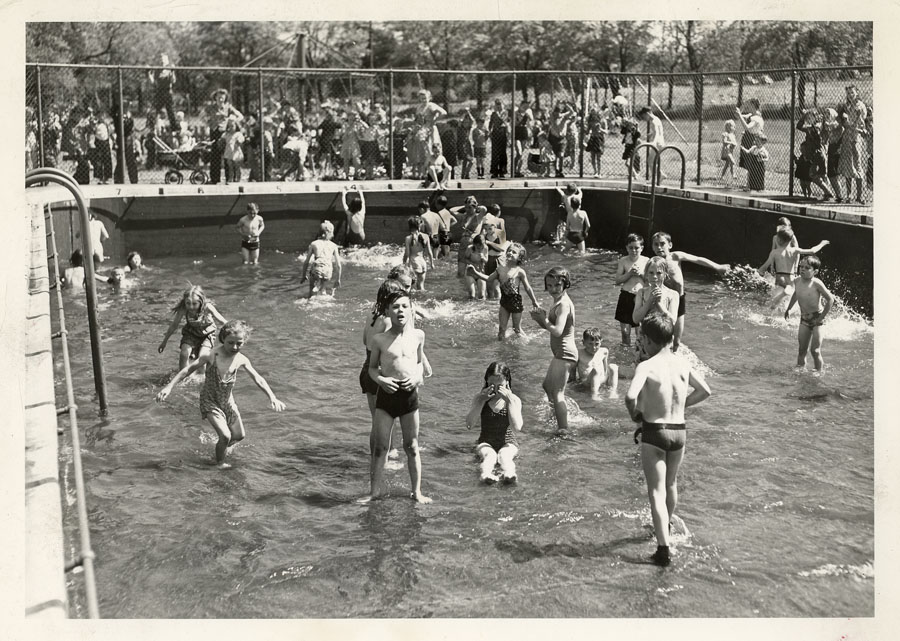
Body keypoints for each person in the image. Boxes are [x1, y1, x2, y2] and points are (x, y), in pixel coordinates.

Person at [625, 313, 711, 567]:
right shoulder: (682, 363)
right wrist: (683, 404)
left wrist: (637, 417)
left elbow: (630, 397)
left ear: (649, 341)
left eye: (642, 339)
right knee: (671, 485)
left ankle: (663, 549)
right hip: (679, 431)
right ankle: (665, 527)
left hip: (655, 431)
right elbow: (705, 391)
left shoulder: (647, 365)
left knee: (655, 491)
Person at [156, 320, 286, 469]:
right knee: (225, 435)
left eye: (239, 343)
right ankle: (219, 464)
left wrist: (272, 397)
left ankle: (220, 448)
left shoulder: (241, 359)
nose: (234, 347)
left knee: (239, 436)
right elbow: (187, 370)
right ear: (223, 338)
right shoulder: (212, 355)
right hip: (210, 401)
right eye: (230, 343)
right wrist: (169, 387)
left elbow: (258, 378)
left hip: (227, 401)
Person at [366, 291, 431, 503]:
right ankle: (374, 492)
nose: (400, 311)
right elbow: (372, 369)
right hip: (386, 396)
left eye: (404, 306)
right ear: (387, 311)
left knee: (411, 446)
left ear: (411, 310)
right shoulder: (379, 340)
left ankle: (417, 492)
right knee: (380, 447)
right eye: (395, 307)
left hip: (409, 397)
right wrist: (381, 380)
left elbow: (421, 363)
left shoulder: (418, 336)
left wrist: (417, 377)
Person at [651, 231, 730, 352]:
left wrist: (717, 266)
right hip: (664, 300)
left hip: (680, 298)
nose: (659, 247)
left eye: (662, 244)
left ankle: (674, 357)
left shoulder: (675, 256)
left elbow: (697, 259)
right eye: (656, 244)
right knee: (662, 336)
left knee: (676, 340)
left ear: (670, 245)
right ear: (652, 246)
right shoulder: (653, 262)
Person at [530, 267, 577, 434]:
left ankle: (563, 429)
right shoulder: (557, 301)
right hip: (560, 353)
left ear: (565, 284)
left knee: (557, 392)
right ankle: (554, 417)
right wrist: (540, 321)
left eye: (557, 285)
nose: (553, 289)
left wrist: (544, 319)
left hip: (565, 352)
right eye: (549, 286)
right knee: (547, 387)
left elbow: (557, 331)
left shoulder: (564, 304)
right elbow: (552, 329)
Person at [466, 242, 540, 340]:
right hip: (504, 302)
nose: (510, 253)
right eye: (509, 251)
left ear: (519, 258)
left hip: (515, 302)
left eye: (514, 252)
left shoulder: (519, 271)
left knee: (516, 329)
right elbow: (489, 279)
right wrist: (475, 272)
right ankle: (500, 350)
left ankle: (527, 343)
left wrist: (534, 301)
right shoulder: (500, 269)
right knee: (501, 329)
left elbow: (528, 287)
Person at [466, 362, 524, 484]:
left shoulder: (514, 400)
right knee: (490, 456)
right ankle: (486, 475)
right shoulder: (479, 398)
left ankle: (510, 474)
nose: (496, 390)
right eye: (492, 385)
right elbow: (469, 425)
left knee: (504, 456)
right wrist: (481, 401)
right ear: (486, 381)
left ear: (507, 382)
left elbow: (517, 427)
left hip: (508, 442)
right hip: (485, 441)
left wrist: (509, 402)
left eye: (500, 385)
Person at [158, 285, 228, 372]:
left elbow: (222, 321)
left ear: (201, 301)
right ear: (185, 302)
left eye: (194, 304)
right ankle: (183, 376)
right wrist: (164, 342)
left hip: (207, 334)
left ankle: (202, 377)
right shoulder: (184, 309)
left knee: (202, 357)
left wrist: (233, 330)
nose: (191, 307)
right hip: (191, 332)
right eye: (188, 303)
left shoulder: (207, 307)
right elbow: (174, 325)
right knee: (184, 354)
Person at [783, 255, 835, 371]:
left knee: (815, 350)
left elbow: (830, 299)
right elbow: (796, 294)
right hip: (804, 319)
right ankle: (800, 369)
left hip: (817, 319)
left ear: (815, 271)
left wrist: (821, 318)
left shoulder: (816, 283)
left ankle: (819, 371)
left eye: (807, 268)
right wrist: (789, 308)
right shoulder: (797, 281)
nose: (802, 269)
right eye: (801, 266)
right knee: (802, 349)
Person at [758, 228, 829, 309]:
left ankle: (781, 296)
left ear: (779, 240)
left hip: (780, 278)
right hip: (791, 279)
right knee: (787, 304)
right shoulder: (794, 250)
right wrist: (822, 244)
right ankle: (785, 294)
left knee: (773, 306)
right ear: (791, 239)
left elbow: (764, 266)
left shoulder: (774, 252)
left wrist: (758, 272)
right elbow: (812, 251)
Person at [632, 256, 680, 362]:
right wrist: (649, 301)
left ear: (665, 274)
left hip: (663, 338)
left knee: (663, 371)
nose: (654, 276)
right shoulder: (642, 292)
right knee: (642, 369)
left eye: (658, 273)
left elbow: (672, 321)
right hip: (645, 339)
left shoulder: (672, 294)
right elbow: (635, 319)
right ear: (646, 274)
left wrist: (659, 303)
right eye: (651, 273)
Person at [614, 233, 650, 345]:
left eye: (637, 248)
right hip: (626, 295)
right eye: (631, 248)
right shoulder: (623, 261)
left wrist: (640, 274)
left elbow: (650, 282)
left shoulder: (647, 261)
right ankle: (625, 357)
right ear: (626, 248)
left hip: (641, 296)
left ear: (642, 248)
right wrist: (629, 274)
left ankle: (638, 355)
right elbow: (618, 280)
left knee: (640, 332)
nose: (634, 251)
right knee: (625, 332)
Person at [206, 89, 243, 185]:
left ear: (226, 97)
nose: (220, 98)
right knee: (215, 155)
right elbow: (202, 116)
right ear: (215, 97)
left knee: (227, 155)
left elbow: (240, 116)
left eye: (223, 96)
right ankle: (214, 179)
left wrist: (232, 121)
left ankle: (229, 178)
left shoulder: (228, 107)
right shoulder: (211, 107)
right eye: (218, 96)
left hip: (225, 133)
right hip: (214, 132)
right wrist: (209, 123)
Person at [841, 85, 869, 204]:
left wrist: (853, 122)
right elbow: (845, 123)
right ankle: (848, 195)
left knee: (857, 164)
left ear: (856, 93)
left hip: (856, 138)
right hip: (847, 137)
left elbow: (860, 123)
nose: (850, 95)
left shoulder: (860, 106)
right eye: (848, 93)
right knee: (848, 166)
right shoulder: (845, 106)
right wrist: (846, 121)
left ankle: (859, 196)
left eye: (852, 93)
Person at [300, 221, 342, 297]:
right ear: (331, 233)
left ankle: (312, 297)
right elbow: (338, 265)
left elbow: (306, 262)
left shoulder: (314, 244)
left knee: (312, 292)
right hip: (327, 270)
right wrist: (338, 280)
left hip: (317, 269)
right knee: (323, 290)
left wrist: (303, 275)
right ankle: (323, 294)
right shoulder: (333, 245)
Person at [573, 328, 619, 397]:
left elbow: (605, 369)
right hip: (588, 381)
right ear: (583, 342)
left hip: (601, 379)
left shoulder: (604, 351)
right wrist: (573, 385)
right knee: (596, 370)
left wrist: (607, 380)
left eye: (597, 344)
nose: (594, 347)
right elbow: (572, 372)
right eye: (590, 344)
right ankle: (594, 394)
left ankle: (613, 392)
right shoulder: (579, 353)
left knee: (613, 367)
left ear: (601, 342)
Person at [734, 99, 766, 191]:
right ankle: (748, 183)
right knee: (747, 161)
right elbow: (737, 115)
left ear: (753, 104)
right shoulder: (750, 115)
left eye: (749, 104)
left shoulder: (757, 116)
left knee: (752, 160)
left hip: (753, 139)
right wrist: (742, 106)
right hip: (747, 138)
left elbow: (747, 127)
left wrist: (740, 115)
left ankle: (752, 184)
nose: (748, 105)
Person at [403, 216, 435, 291]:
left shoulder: (408, 238)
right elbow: (430, 252)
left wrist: (404, 263)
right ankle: (423, 300)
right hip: (423, 263)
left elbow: (407, 253)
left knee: (409, 287)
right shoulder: (426, 236)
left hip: (414, 262)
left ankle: (414, 301)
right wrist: (431, 263)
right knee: (421, 286)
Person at [148, 52, 177, 128]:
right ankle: (151, 126)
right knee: (153, 110)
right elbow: (154, 83)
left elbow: (173, 81)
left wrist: (173, 72)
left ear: (167, 61)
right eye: (160, 60)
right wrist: (149, 75)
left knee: (171, 111)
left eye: (163, 60)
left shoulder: (169, 69)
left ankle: (175, 127)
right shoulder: (157, 70)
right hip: (159, 92)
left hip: (167, 92)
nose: (162, 62)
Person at [637, 106, 666, 182]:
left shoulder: (653, 121)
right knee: (652, 161)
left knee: (650, 161)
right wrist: (649, 135)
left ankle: (659, 176)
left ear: (647, 114)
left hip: (657, 143)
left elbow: (656, 133)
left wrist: (653, 142)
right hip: (660, 142)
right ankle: (659, 176)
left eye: (644, 116)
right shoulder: (657, 119)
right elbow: (656, 132)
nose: (643, 118)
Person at [463, 234, 489, 299]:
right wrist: (473, 264)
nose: (480, 249)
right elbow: (465, 259)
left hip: (481, 272)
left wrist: (483, 258)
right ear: (474, 244)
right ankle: (469, 308)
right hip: (471, 272)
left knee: (482, 295)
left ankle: (481, 308)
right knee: (472, 295)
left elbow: (486, 261)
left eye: (481, 247)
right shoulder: (470, 248)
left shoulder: (486, 248)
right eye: (478, 248)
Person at [433, 194, 458, 258]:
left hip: (443, 234)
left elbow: (437, 224)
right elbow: (455, 221)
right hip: (448, 233)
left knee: (443, 253)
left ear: (439, 204)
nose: (435, 206)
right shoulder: (447, 212)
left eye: (436, 204)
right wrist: (448, 226)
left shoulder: (439, 213)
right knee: (446, 252)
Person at [222, 117, 245, 184]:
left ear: (236, 126)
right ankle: (230, 178)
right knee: (230, 166)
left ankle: (237, 178)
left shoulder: (238, 134)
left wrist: (238, 142)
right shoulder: (227, 134)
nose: (231, 128)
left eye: (232, 126)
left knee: (236, 166)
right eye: (229, 126)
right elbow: (222, 139)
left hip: (236, 153)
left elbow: (241, 140)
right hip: (228, 152)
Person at [720, 119, 737, 186]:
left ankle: (723, 176)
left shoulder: (733, 135)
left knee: (727, 164)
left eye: (734, 127)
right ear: (727, 127)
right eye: (732, 126)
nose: (734, 128)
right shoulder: (725, 134)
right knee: (733, 162)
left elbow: (734, 143)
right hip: (726, 152)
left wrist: (734, 144)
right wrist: (731, 143)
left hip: (731, 151)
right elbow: (724, 142)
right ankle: (733, 174)